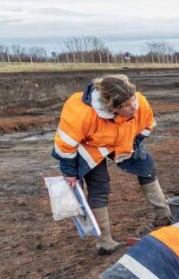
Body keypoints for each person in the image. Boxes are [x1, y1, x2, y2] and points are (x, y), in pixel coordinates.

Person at [52, 74, 172, 254]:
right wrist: (69, 172)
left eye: (133, 100)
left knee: (147, 167)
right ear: (111, 107)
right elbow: (65, 145)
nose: (133, 107)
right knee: (99, 186)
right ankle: (104, 241)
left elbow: (147, 125)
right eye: (126, 105)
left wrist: (135, 144)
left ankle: (163, 217)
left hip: (123, 139)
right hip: (90, 147)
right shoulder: (81, 112)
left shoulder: (139, 102)